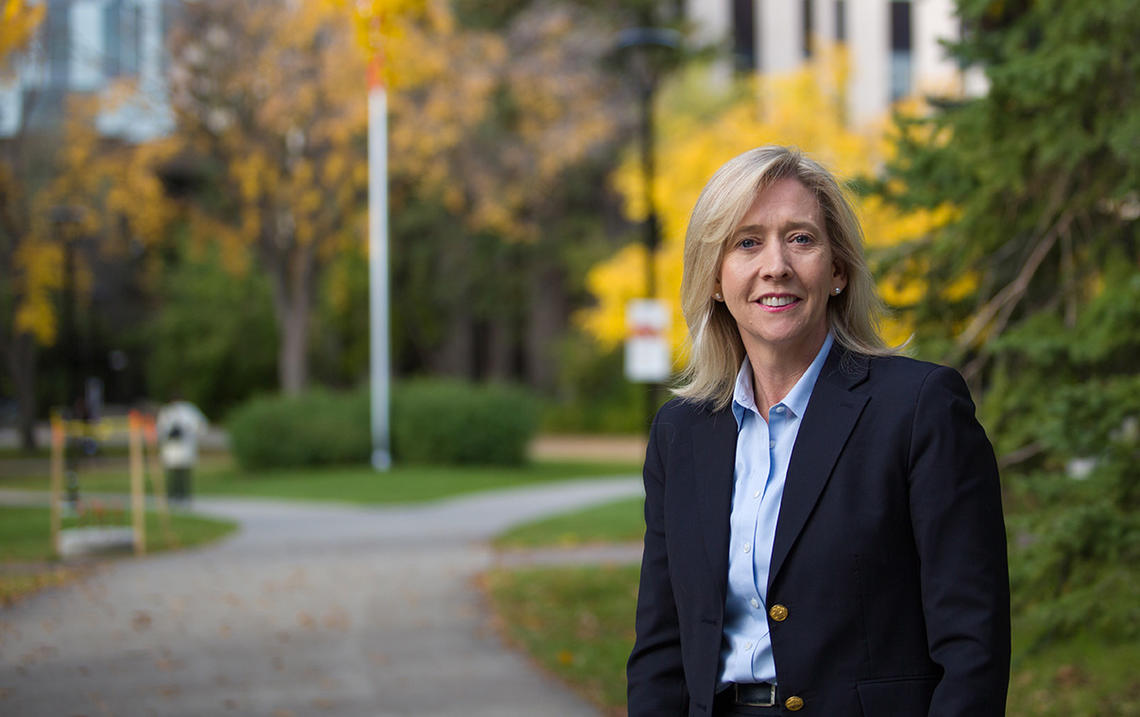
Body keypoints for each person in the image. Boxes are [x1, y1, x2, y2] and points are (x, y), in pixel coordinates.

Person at [626, 146, 1010, 717]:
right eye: (747, 242)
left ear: (837, 270)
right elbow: (661, 648)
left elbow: (973, 642)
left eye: (800, 239)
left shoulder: (918, 409)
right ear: (714, 277)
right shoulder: (681, 433)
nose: (775, 265)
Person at [156, 397, 208, 506]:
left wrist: (187, 431)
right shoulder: (167, 412)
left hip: (185, 446)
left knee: (184, 474)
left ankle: (185, 496)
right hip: (172, 447)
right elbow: (160, 430)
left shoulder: (188, 410)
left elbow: (200, 426)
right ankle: (172, 495)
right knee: (173, 473)